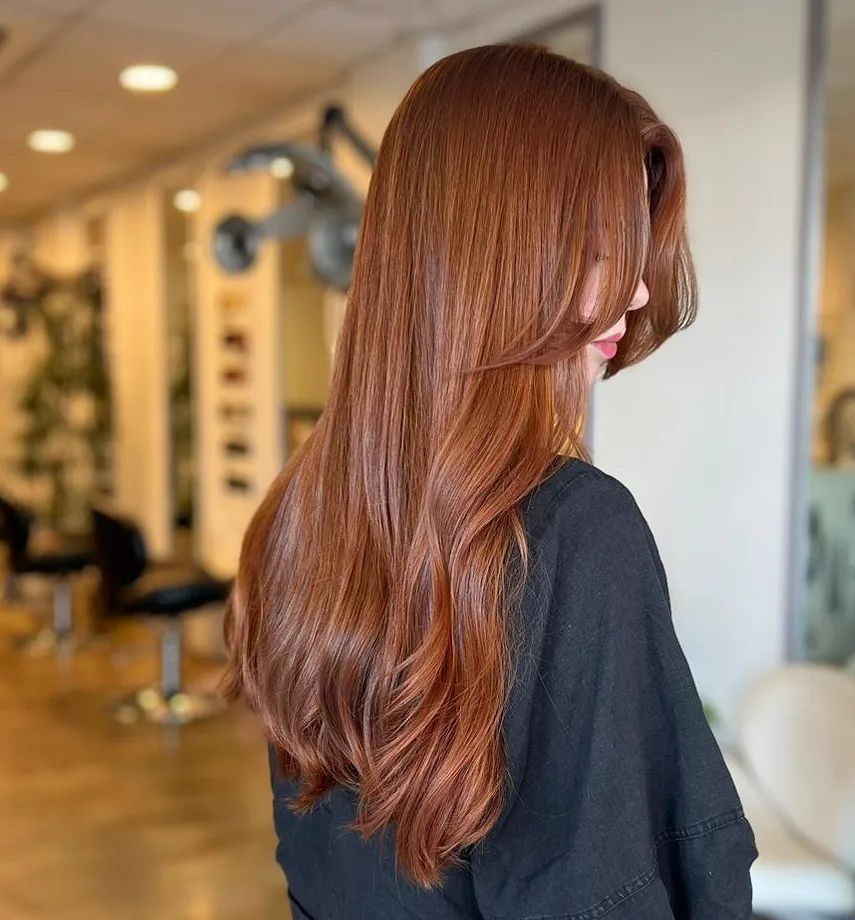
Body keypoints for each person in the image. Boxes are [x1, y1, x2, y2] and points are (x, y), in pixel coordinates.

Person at [223, 42, 757, 920]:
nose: (631, 296)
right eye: (596, 252)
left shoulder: (296, 512)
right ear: (494, 264)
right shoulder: (573, 532)